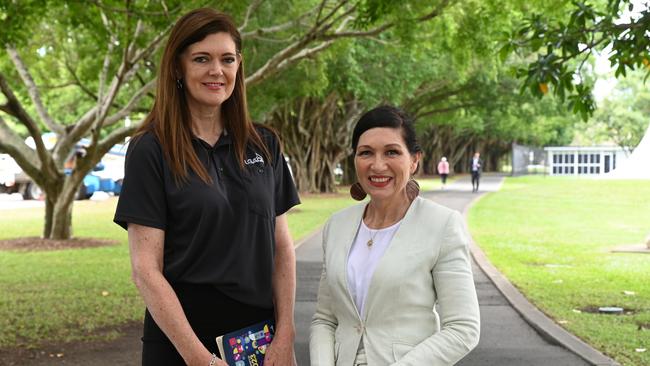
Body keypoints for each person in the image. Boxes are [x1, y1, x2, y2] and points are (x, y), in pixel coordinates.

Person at [113, 8, 300, 366]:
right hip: (180, 340)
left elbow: (282, 248)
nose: (217, 70)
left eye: (227, 59)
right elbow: (145, 270)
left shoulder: (264, 144)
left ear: (238, 66)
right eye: (202, 59)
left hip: (258, 337)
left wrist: (286, 333)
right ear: (177, 67)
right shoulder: (151, 149)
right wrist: (201, 360)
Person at [310, 106, 480, 366]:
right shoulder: (336, 226)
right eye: (366, 153)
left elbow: (463, 328)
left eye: (391, 152)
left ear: (414, 160)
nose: (378, 165)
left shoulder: (442, 225)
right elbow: (325, 319)